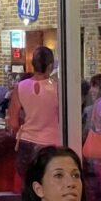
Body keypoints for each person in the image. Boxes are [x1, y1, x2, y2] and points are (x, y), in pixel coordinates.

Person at [7, 46, 60, 185]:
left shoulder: (20, 86)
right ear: (50, 66)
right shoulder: (57, 88)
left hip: (26, 142)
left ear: (33, 64)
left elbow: (13, 122)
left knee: (27, 185)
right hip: (50, 143)